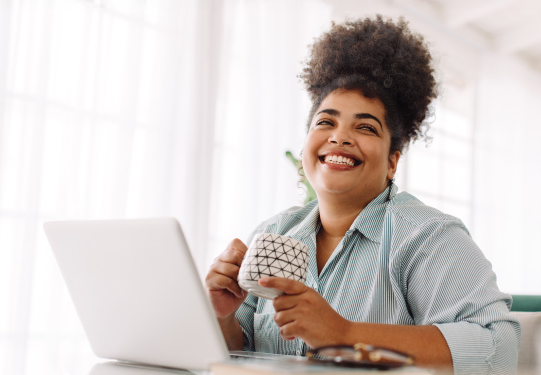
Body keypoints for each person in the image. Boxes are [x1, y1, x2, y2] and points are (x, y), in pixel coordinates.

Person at [202, 15, 519, 374]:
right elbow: (239, 352)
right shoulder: (274, 232)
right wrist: (222, 316)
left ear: (392, 162)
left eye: (365, 127)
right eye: (325, 122)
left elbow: (499, 349)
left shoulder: (428, 237)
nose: (339, 137)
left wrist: (345, 333)